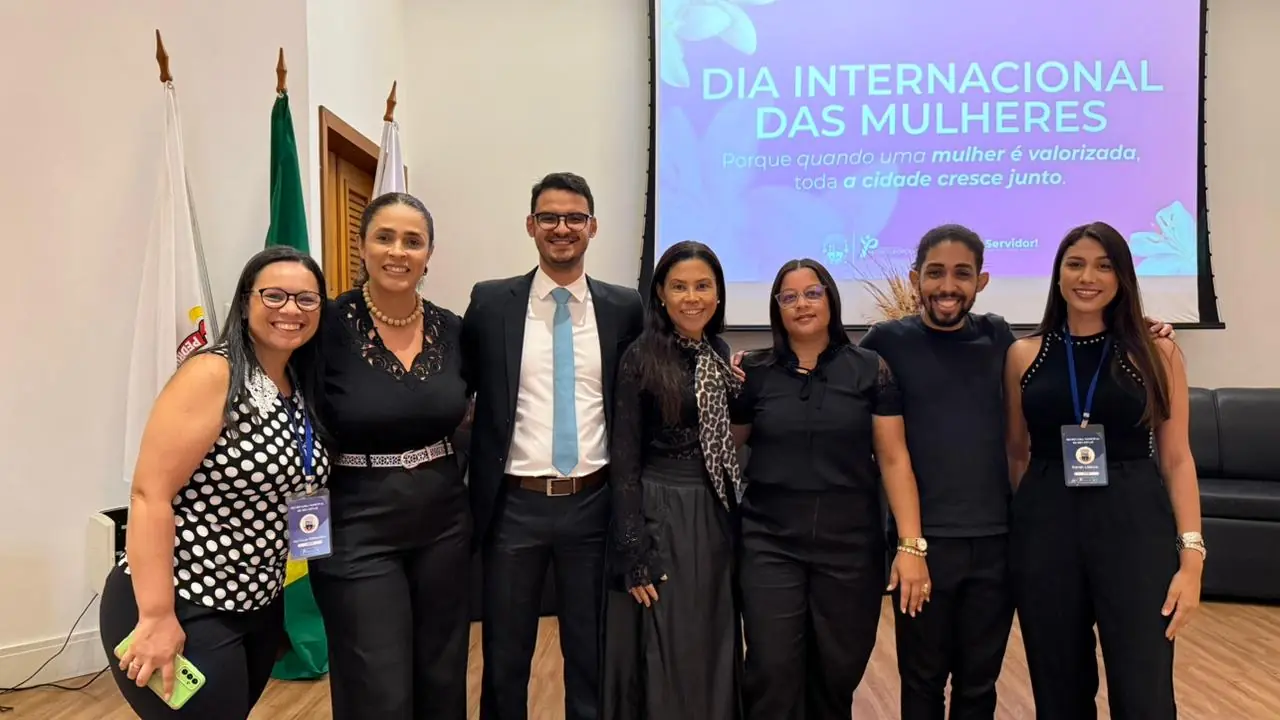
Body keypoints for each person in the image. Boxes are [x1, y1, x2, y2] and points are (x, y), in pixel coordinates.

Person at [857, 224, 1177, 720]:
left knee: (979, 683)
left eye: (962, 274)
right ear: (915, 277)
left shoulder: (1000, 340)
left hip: (997, 542)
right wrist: (760, 361)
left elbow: (1017, 445)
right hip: (925, 543)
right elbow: (832, 363)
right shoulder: (885, 342)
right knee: (921, 680)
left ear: (982, 281)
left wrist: (1144, 327)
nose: (948, 286)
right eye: (935, 273)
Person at [99, 246, 330, 719]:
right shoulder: (213, 373)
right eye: (274, 295)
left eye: (307, 299)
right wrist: (157, 616)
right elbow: (149, 494)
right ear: (245, 303)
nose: (291, 309)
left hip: (257, 605)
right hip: (185, 599)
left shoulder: (296, 385)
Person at [462, 172, 645, 720]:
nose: (561, 228)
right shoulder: (491, 303)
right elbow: (459, 385)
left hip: (593, 504)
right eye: (549, 217)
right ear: (530, 225)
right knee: (505, 656)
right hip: (513, 506)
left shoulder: (624, 307)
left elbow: (641, 391)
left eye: (574, 218)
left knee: (591, 654)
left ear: (593, 227)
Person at [1004, 221, 1203, 719]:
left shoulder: (1156, 351)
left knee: (1143, 690)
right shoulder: (1024, 354)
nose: (1087, 277)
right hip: (1046, 531)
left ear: (1122, 277)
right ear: (1058, 276)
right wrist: (1033, 520)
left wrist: (1192, 557)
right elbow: (1017, 453)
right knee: (1059, 688)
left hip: (1135, 529)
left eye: (1103, 265)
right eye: (1075, 264)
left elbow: (1177, 459)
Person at [731, 258, 931, 720]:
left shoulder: (870, 369)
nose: (801, 304)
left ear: (830, 300)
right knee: (771, 670)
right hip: (770, 543)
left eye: (812, 293)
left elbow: (894, 460)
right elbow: (726, 447)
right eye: (789, 297)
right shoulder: (754, 373)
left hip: (849, 547)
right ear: (777, 308)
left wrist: (911, 546)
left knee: (837, 672)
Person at [308, 192, 471, 720]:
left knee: (442, 674)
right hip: (355, 527)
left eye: (412, 241)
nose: (398, 251)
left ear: (429, 254)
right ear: (362, 246)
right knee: (377, 682)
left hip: (444, 523)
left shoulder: (454, 329)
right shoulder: (323, 327)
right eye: (385, 237)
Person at [599, 241, 745, 719]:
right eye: (679, 287)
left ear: (718, 293)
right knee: (669, 639)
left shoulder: (718, 352)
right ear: (660, 293)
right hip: (663, 512)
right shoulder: (640, 357)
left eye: (703, 286)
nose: (692, 297)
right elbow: (624, 459)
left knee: (710, 634)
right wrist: (633, 550)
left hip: (716, 511)